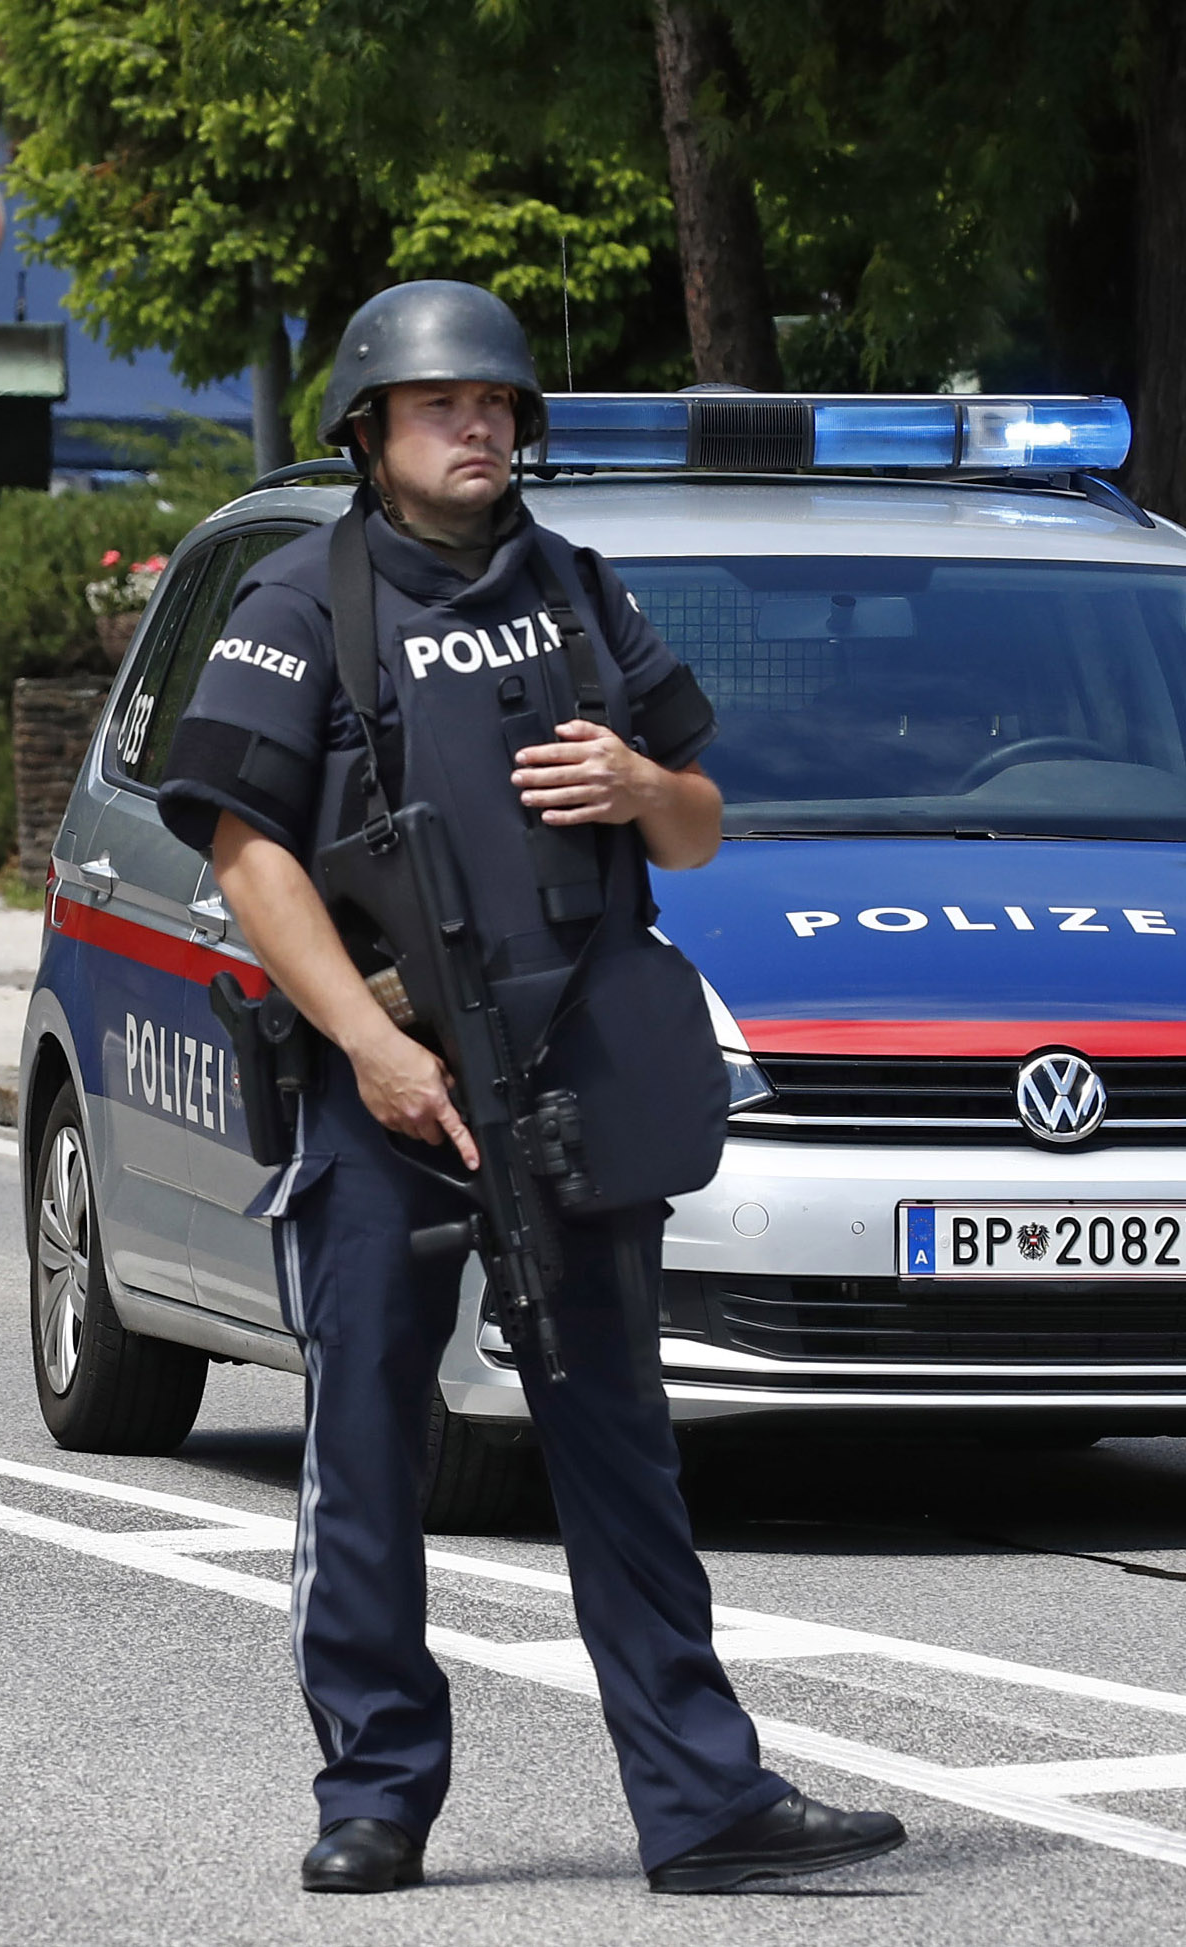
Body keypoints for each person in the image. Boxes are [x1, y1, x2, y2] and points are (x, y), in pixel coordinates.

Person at [156, 281, 906, 1896]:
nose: (480, 425)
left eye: (498, 404)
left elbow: (699, 823)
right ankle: (373, 1792)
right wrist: (369, 1040)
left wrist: (645, 784)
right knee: (365, 1437)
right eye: (445, 405)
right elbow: (242, 850)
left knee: (618, 1435)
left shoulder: (574, 588)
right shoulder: (305, 602)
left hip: (568, 1079)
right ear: (370, 427)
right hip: (389, 1090)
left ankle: (701, 1795)